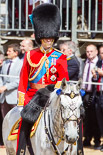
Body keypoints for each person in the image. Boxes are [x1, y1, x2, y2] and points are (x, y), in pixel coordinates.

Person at [16, 3, 69, 155]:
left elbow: (63, 80)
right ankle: (20, 150)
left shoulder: (60, 56)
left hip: (53, 96)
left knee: (73, 118)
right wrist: (21, 102)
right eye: (46, 37)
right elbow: (23, 80)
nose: (49, 40)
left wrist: (56, 95)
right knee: (25, 122)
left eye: (51, 37)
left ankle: (77, 150)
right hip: (33, 96)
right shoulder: (30, 55)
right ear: (40, 36)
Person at [82, 44, 101, 148]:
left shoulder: (98, 63)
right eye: (87, 51)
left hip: (95, 93)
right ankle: (87, 138)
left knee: (95, 118)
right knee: (87, 117)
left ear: (96, 52)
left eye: (91, 51)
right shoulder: (85, 62)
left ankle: (97, 140)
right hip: (86, 92)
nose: (89, 53)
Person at [0, 43, 23, 118]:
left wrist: (6, 87)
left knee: (14, 120)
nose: (7, 53)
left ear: (16, 53)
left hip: (14, 97)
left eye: (9, 51)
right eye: (7, 51)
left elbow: (19, 80)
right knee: (4, 120)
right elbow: (1, 77)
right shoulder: (5, 63)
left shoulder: (21, 64)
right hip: (3, 98)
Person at [92, 45, 103, 151]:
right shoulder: (99, 63)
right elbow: (96, 79)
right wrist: (95, 75)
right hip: (99, 94)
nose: (101, 55)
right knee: (100, 120)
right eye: (101, 53)